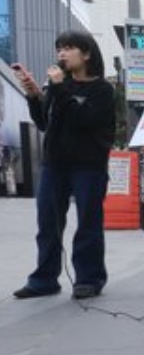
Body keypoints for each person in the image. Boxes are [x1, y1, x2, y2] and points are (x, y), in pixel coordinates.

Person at [12, 31, 115, 299]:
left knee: (88, 224)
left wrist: (58, 89)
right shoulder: (56, 86)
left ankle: (89, 279)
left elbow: (84, 119)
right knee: (48, 223)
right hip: (54, 165)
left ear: (87, 54)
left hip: (88, 166)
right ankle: (44, 280)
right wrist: (35, 95)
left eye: (68, 48)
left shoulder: (102, 89)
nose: (61, 54)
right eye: (59, 49)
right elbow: (45, 123)